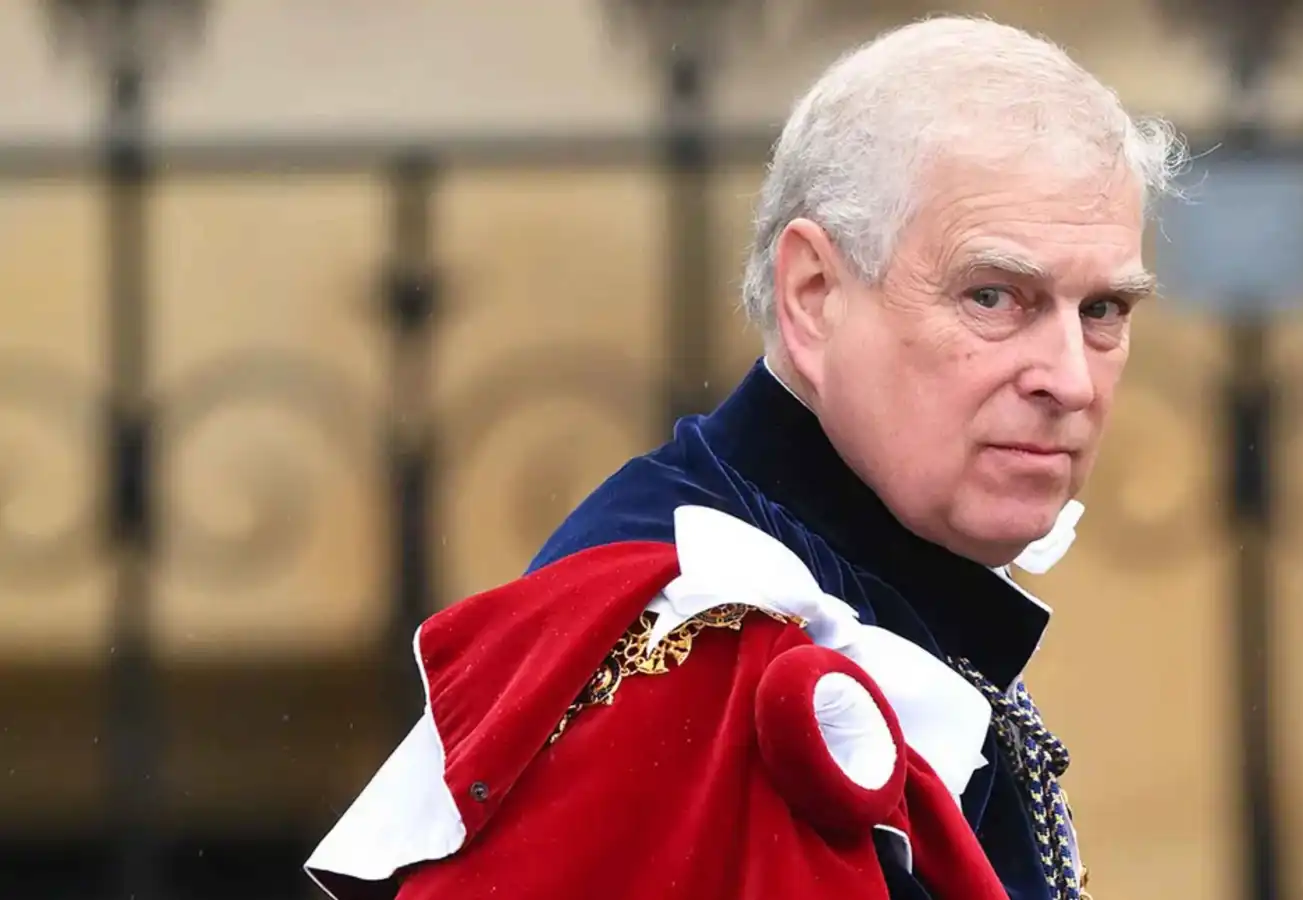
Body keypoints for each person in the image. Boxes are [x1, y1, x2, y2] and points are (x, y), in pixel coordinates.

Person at [305, 14, 1181, 900]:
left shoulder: (892, 599)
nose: (1070, 380)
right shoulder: (698, 655)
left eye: (1103, 310)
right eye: (993, 296)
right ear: (814, 295)